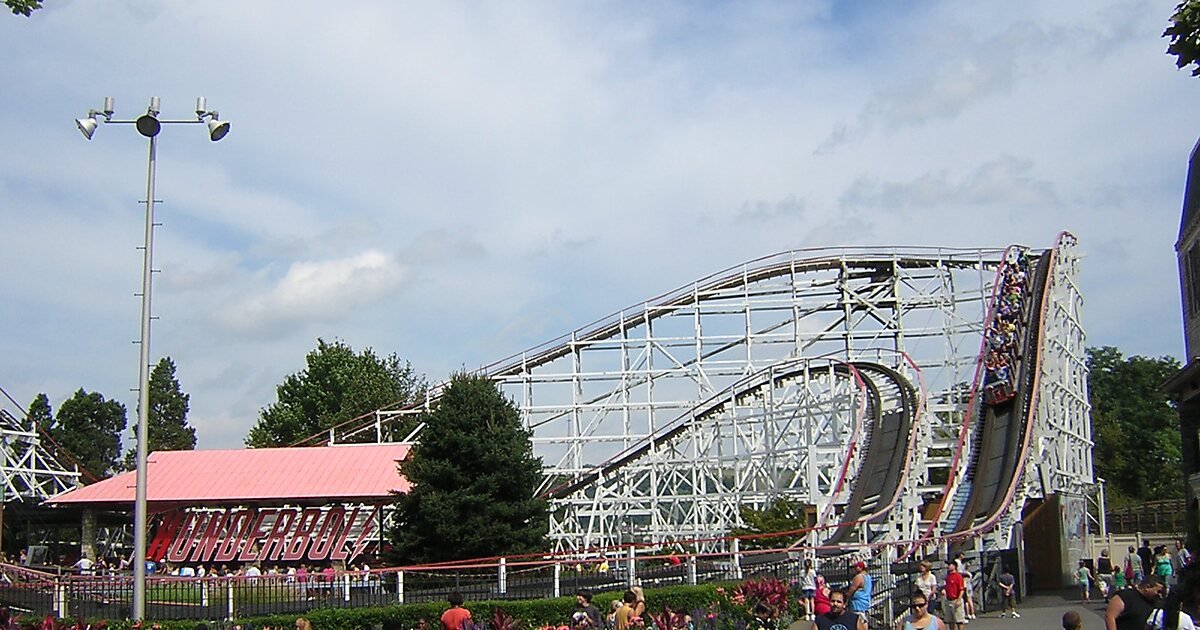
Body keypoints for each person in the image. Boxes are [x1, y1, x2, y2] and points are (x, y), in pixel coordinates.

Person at [941, 562, 966, 630]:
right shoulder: (948, 577)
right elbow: (947, 587)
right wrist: (944, 590)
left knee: (959, 620)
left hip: (956, 600)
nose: (948, 566)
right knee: (950, 621)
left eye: (949, 565)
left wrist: (959, 600)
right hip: (948, 600)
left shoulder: (958, 576)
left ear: (954, 566)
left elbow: (962, 589)